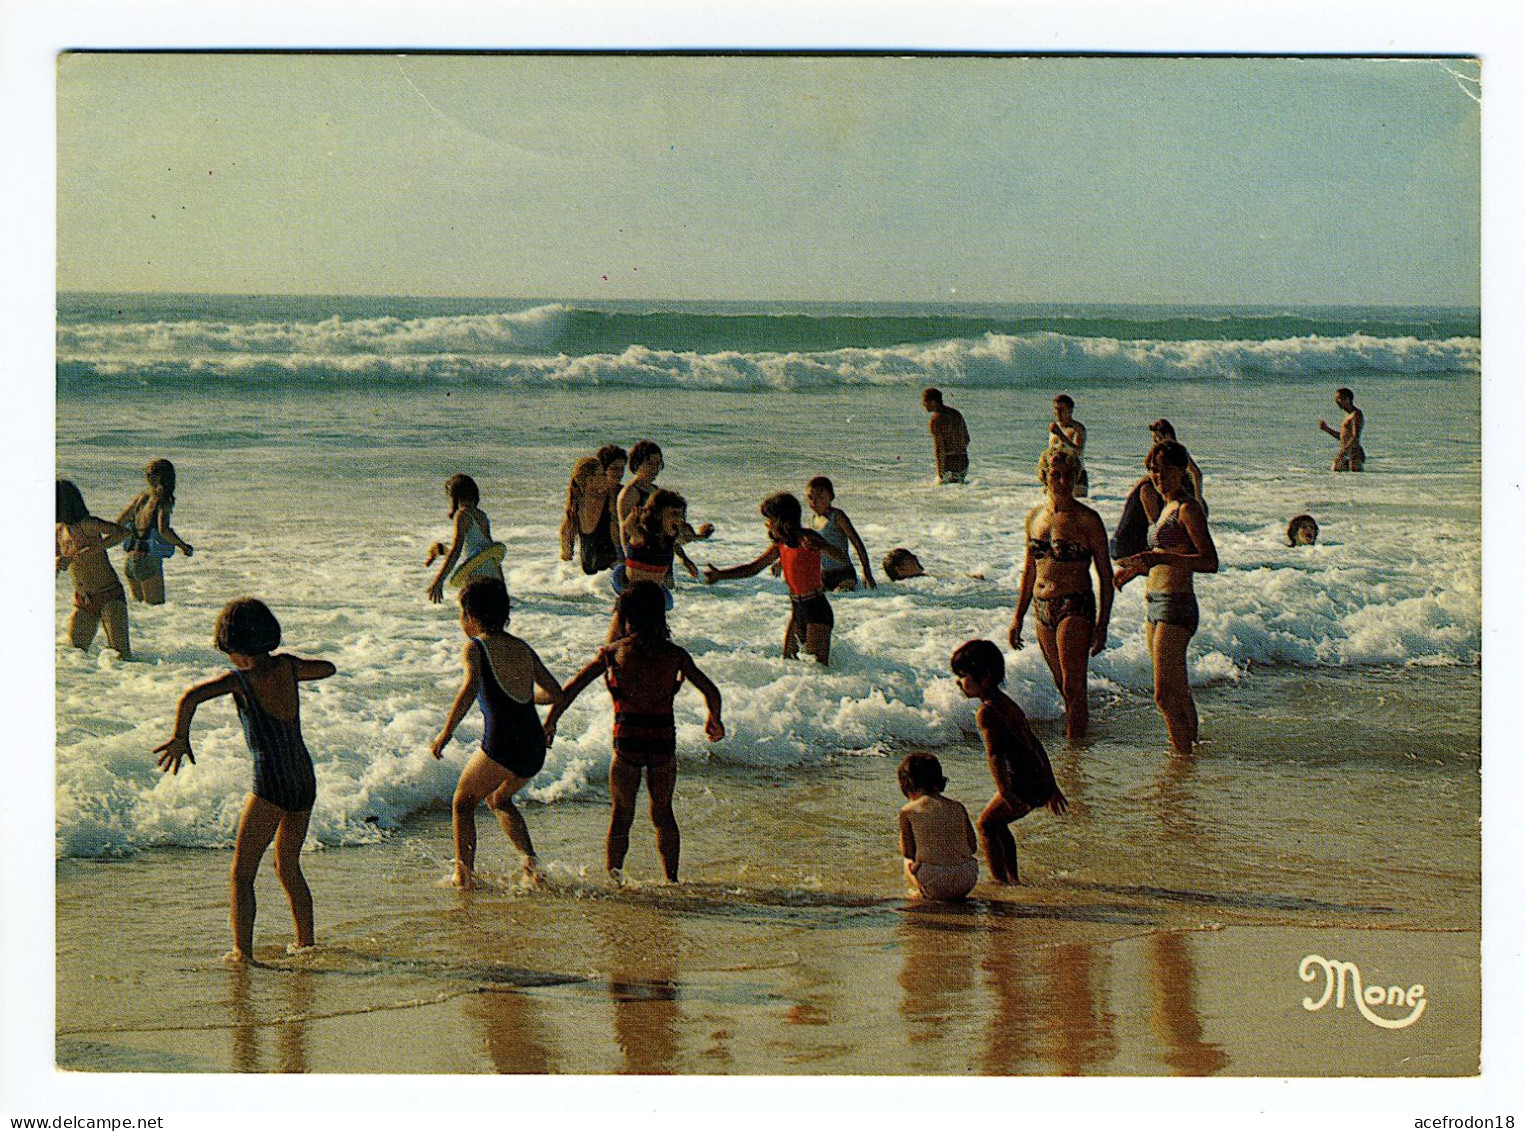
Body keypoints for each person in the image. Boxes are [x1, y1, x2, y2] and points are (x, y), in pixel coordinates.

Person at [154, 598, 337, 962]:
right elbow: (327, 668)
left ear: (232, 645)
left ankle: (243, 954)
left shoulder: (239, 681)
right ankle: (306, 941)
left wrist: (181, 737)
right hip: (303, 777)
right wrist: (295, 665)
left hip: (270, 782)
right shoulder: (287, 666)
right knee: (288, 865)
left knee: (242, 874)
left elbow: (191, 697)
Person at [545, 582, 724, 883]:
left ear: (627, 617)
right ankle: (672, 880)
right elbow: (711, 690)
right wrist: (714, 718)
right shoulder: (675, 655)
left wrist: (551, 722)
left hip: (627, 743)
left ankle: (615, 880)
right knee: (663, 814)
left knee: (621, 816)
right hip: (662, 743)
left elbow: (570, 690)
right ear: (660, 615)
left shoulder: (614, 654)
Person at [430, 577, 564, 890]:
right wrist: (541, 713)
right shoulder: (522, 647)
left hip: (504, 744)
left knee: (463, 802)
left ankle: (463, 877)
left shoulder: (475, 648)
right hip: (533, 748)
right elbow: (556, 693)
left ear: (471, 617)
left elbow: (469, 690)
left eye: (462, 614)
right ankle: (532, 867)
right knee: (499, 799)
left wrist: (445, 734)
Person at [1113, 441, 1219, 754]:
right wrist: (1135, 569)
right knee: (1178, 690)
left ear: (1181, 470)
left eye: (1166, 470)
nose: (1158, 477)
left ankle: (1180, 758)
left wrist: (1160, 559)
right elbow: (1166, 552)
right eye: (1153, 470)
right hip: (1155, 601)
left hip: (1177, 603)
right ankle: (1193, 749)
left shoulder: (1188, 508)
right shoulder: (1166, 507)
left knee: (1163, 694)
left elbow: (1209, 561)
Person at [1010, 446, 1113, 740]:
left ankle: (1075, 755)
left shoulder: (1087, 520)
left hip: (1075, 604)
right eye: (1056, 475)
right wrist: (1017, 617)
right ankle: (1081, 737)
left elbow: (1105, 576)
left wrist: (1102, 623)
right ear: (1044, 477)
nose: (1063, 482)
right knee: (1061, 684)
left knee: (1073, 686)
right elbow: (1030, 570)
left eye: (1069, 475)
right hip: (1042, 607)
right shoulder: (1034, 518)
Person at [950, 639, 1066, 885]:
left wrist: (1005, 791)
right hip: (1036, 779)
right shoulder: (1007, 703)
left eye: (963, 676)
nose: (958, 682)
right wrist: (1051, 785)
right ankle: (1012, 877)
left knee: (986, 825)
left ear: (985, 677)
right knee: (998, 825)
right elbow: (1035, 744)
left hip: (1020, 783)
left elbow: (995, 754)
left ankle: (999, 879)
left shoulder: (986, 712)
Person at [703, 492, 849, 666]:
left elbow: (842, 558)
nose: (767, 524)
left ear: (782, 520)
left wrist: (822, 546)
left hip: (817, 609)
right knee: (788, 663)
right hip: (798, 611)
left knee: (818, 670)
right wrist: (721, 574)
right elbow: (753, 568)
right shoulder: (780, 545)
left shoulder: (808, 537)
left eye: (769, 519)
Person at [615, 440, 712, 587]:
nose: (654, 470)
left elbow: (668, 534)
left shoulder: (656, 492)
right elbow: (625, 532)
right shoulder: (630, 493)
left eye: (658, 465)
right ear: (637, 464)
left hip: (661, 557)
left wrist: (684, 560)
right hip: (640, 559)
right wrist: (630, 564)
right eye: (650, 464)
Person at [56, 479, 131, 658]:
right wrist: (58, 561)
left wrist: (94, 548)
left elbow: (123, 533)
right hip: (83, 600)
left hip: (109, 595)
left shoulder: (87, 524)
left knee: (121, 658)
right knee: (74, 656)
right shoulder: (58, 530)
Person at [896, 752, 979, 901]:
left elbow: (907, 852)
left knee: (908, 862)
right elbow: (972, 846)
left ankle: (918, 893)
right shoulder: (958, 807)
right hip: (967, 878)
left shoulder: (908, 811)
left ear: (907, 785)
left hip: (935, 882)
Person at [117, 458, 194, 605]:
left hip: (130, 560)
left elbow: (119, 522)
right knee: (156, 609)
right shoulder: (164, 500)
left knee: (141, 615)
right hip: (148, 560)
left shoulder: (140, 498)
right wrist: (183, 546)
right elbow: (163, 530)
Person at [426, 474, 504, 604]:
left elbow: (456, 551)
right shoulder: (482, 516)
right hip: (493, 576)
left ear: (454, 497)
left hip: (476, 577)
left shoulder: (462, 515)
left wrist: (438, 581)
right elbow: (492, 554)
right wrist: (502, 587)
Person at [559, 445, 626, 575]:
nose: (620, 473)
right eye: (614, 469)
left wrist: (566, 553)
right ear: (590, 479)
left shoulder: (576, 501)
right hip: (611, 565)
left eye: (622, 469)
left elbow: (565, 533)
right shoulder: (614, 495)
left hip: (588, 566)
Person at [805, 476, 876, 590]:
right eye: (810, 497)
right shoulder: (812, 520)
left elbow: (856, 542)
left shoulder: (837, 516)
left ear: (831, 497)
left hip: (844, 573)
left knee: (843, 594)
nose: (814, 501)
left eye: (820, 497)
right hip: (824, 575)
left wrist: (866, 571)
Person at [1148, 420, 1205, 507]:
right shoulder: (1159, 454)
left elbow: (1196, 473)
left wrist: (1198, 498)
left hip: (1185, 493)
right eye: (1154, 439)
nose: (1156, 442)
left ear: (1168, 435)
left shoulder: (1177, 452)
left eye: (1158, 438)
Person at [922, 388, 970, 484]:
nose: (923, 404)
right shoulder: (956, 414)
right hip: (963, 461)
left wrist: (940, 473)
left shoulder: (935, 420)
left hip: (948, 463)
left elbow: (939, 448)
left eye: (925, 401)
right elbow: (966, 439)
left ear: (933, 402)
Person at [1046, 394, 1089, 497]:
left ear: (1070, 410)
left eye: (1062, 409)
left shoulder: (1077, 429)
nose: (1058, 413)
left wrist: (1060, 435)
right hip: (1056, 477)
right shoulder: (1054, 428)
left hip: (1075, 477)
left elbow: (1077, 452)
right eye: (1056, 409)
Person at [1319, 387, 1366, 472]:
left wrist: (1343, 452)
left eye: (1339, 398)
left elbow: (1355, 437)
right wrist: (1327, 429)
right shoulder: (1347, 414)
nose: (1336, 401)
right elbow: (1343, 437)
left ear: (1347, 399)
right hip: (1346, 451)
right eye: (1336, 398)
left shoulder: (1356, 414)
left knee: (1356, 481)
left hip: (1354, 454)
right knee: (1337, 475)